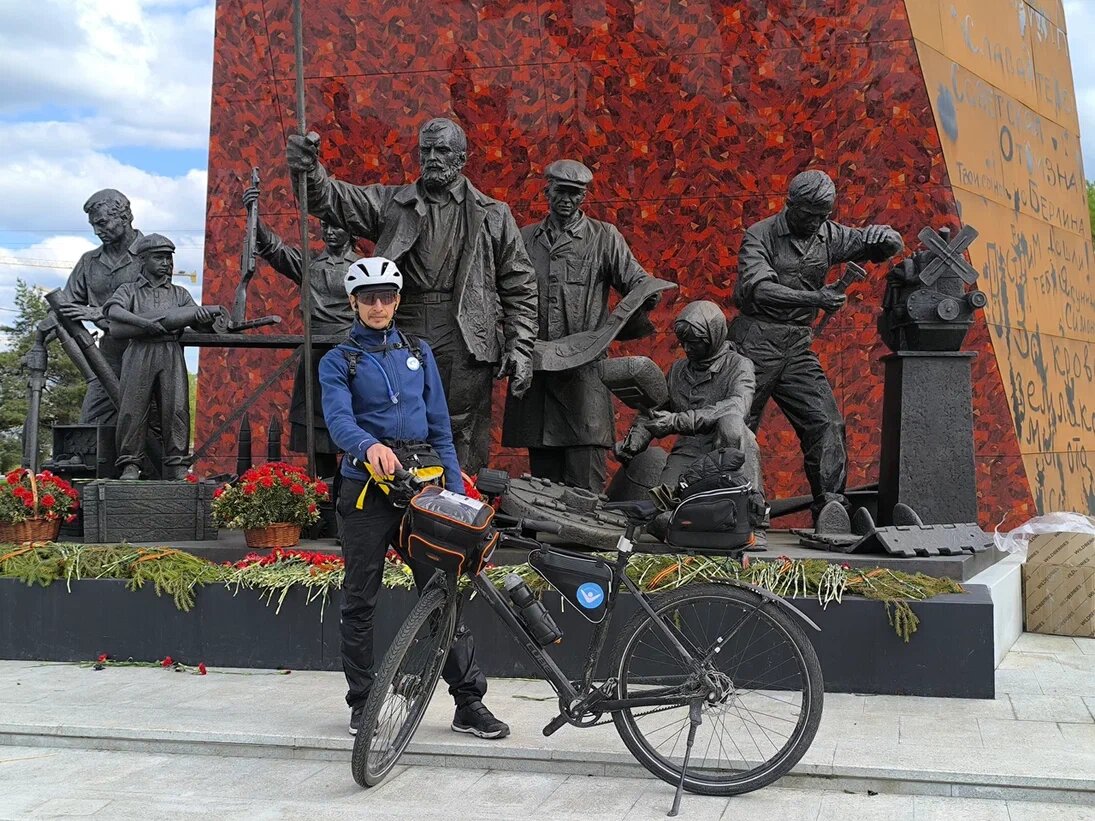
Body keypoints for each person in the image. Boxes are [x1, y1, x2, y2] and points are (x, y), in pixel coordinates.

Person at [319, 256, 509, 739]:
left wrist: (449, 485)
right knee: (360, 600)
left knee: (443, 595)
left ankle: (469, 703)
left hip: (421, 492)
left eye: (386, 297)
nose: (378, 305)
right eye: (368, 298)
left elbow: (442, 428)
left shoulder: (420, 353)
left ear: (397, 301)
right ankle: (363, 703)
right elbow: (339, 421)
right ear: (354, 303)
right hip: (365, 493)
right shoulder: (339, 360)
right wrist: (368, 445)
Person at [288, 117, 538, 475]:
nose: (433, 157)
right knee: (390, 415)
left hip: (465, 334)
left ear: (462, 158)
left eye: (442, 150)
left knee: (458, 428)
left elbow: (520, 284)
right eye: (426, 150)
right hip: (402, 328)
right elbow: (331, 199)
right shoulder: (394, 203)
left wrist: (521, 346)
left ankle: (455, 510)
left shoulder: (493, 214)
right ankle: (393, 507)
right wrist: (309, 169)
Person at [730, 170, 903, 530]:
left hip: (796, 346)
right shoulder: (760, 236)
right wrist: (816, 298)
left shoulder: (827, 233)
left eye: (823, 215)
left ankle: (831, 508)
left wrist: (885, 238)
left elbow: (885, 247)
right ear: (790, 204)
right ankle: (731, 506)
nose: (816, 223)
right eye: (809, 214)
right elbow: (759, 290)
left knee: (826, 422)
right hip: (755, 342)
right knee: (737, 425)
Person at [502, 159, 656, 492]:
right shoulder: (525, 239)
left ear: (584, 196)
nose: (568, 200)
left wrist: (624, 322)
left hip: (584, 376)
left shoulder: (604, 237)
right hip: (539, 374)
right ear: (547, 191)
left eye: (576, 193)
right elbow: (504, 294)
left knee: (586, 481)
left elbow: (640, 284)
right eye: (561, 192)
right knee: (543, 489)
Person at [242, 185, 358, 479]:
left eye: (337, 226)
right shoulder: (310, 263)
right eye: (325, 225)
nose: (330, 232)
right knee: (317, 434)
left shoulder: (361, 266)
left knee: (356, 422)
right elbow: (275, 249)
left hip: (352, 352)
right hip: (316, 353)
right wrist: (254, 216)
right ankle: (324, 488)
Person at [616, 300, 763, 496]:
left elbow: (737, 406)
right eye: (683, 342)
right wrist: (635, 441)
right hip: (687, 452)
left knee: (731, 422)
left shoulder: (739, 365)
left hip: (723, 450)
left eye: (693, 343)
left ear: (713, 336)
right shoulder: (678, 369)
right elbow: (654, 408)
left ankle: (745, 499)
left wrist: (676, 421)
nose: (686, 348)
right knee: (662, 510)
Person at [101, 234, 216, 480]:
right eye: (159, 257)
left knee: (176, 407)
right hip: (139, 350)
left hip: (170, 351)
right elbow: (113, 310)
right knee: (133, 408)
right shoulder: (129, 290)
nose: (166, 263)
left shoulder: (180, 294)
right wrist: (143, 323)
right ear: (142, 260)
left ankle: (177, 464)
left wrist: (204, 320)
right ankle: (130, 463)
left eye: (169, 258)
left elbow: (199, 326)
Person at [55, 189, 144, 424]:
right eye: (94, 225)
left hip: (147, 353)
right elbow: (65, 304)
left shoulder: (151, 253)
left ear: (125, 217)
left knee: (147, 427)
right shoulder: (89, 261)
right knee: (91, 420)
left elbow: (155, 306)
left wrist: (97, 312)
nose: (97, 231)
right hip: (109, 355)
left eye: (103, 223)